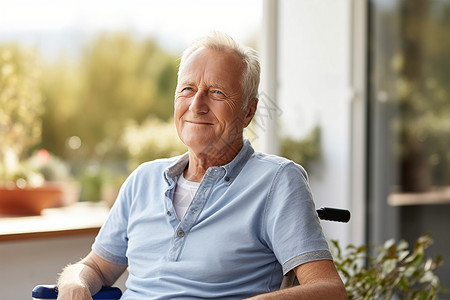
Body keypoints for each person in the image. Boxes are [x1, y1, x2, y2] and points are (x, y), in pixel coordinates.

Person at [57, 31, 347, 300]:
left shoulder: (277, 181)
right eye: (187, 89)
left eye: (217, 92)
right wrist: (76, 281)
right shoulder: (143, 180)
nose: (196, 105)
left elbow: (328, 291)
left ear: (248, 111)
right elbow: (95, 267)